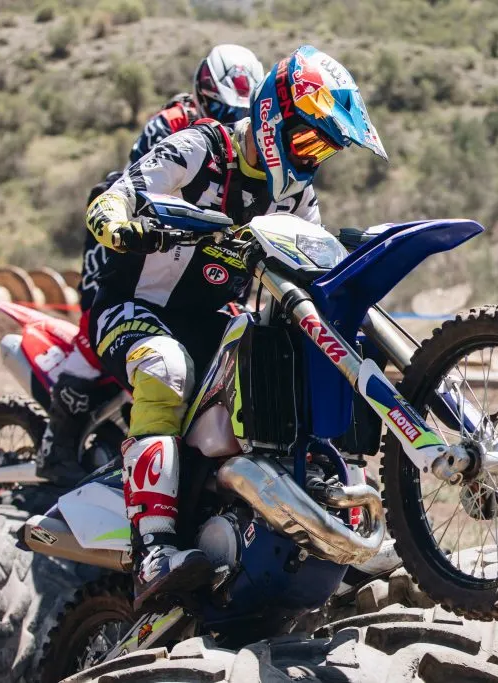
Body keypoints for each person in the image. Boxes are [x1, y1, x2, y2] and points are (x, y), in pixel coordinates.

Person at [84, 45, 387, 608]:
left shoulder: (295, 192)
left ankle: (330, 516)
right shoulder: (199, 147)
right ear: (271, 115)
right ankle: (153, 549)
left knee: (290, 364)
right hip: (136, 308)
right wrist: (118, 219)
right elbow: (119, 193)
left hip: (217, 318)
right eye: (305, 140)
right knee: (167, 369)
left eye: (322, 148)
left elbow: (316, 264)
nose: (310, 157)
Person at [36, 45, 265, 490]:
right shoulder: (172, 125)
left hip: (198, 262)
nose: (226, 117)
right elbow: (133, 188)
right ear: (201, 96)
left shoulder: (253, 151)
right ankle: (55, 445)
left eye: (237, 111)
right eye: (218, 107)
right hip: (131, 242)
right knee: (92, 331)